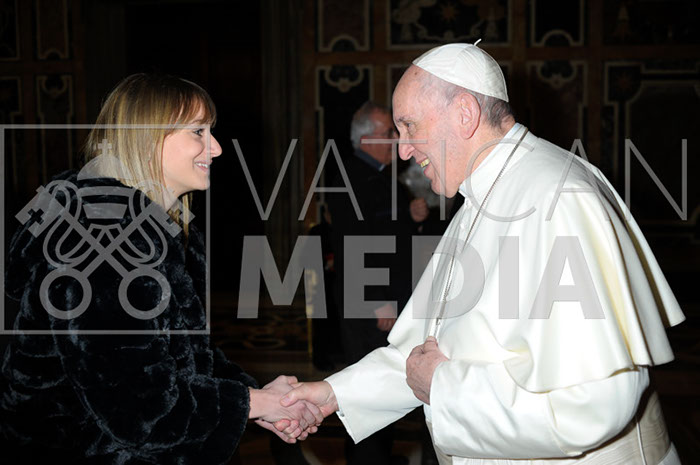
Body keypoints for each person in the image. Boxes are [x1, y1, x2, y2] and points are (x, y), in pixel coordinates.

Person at [276, 43, 685, 464]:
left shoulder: (557, 198)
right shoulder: (482, 194)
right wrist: (333, 394)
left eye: (410, 125)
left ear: (465, 114)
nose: (403, 150)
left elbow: (595, 405)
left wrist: (443, 387)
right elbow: (424, 354)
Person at [0, 73, 320, 464]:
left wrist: (259, 396)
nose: (216, 148)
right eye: (198, 132)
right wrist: (255, 403)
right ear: (148, 138)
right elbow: (136, 407)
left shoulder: (162, 226)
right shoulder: (102, 237)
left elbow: (183, 354)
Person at [326, 101, 428, 464]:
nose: (397, 140)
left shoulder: (382, 176)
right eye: (389, 133)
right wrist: (377, 300)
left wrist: (411, 216)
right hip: (369, 304)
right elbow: (354, 244)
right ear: (367, 138)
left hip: (385, 299)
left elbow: (386, 228)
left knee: (382, 394)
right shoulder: (350, 178)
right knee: (367, 397)